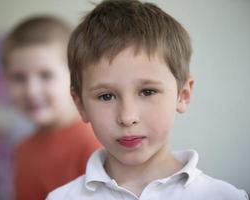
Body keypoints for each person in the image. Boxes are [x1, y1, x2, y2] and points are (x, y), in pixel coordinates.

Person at [45, 0, 249, 199]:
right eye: (106, 96)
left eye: (148, 92)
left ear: (183, 95)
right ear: (80, 104)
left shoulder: (225, 196)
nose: (127, 117)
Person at [2, 15, 101, 200]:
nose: (31, 91)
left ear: (75, 77)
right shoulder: (22, 150)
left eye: (45, 75)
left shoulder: (94, 144)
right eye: (18, 77)